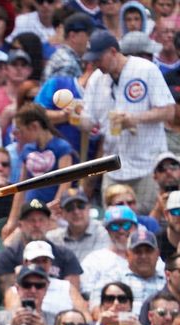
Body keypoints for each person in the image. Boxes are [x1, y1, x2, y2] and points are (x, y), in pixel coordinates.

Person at [84, 30, 176, 215]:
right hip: (113, 169)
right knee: (114, 225)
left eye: (97, 58)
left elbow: (169, 111)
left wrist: (135, 118)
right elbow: (89, 123)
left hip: (147, 167)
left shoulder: (145, 69)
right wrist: (75, 115)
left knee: (147, 226)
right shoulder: (96, 79)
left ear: (112, 51)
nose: (94, 63)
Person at [0, 199, 83, 296]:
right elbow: (9, 293)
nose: (37, 225)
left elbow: (73, 295)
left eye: (41, 220)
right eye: (31, 220)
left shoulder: (65, 255)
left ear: (49, 223)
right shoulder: (9, 255)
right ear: (20, 225)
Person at [88, 228, 166, 315]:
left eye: (148, 251)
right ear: (127, 254)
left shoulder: (168, 279)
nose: (143, 256)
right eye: (138, 252)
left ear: (157, 254)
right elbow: (96, 307)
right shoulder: (112, 277)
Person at [45, 188, 110, 263]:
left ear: (88, 208)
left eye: (81, 206)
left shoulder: (104, 231)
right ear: (62, 213)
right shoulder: (54, 237)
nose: (76, 211)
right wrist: (44, 216)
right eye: (70, 207)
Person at [43, 13, 94, 80]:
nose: (90, 39)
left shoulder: (64, 55)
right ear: (73, 37)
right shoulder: (68, 64)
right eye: (88, 34)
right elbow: (63, 90)